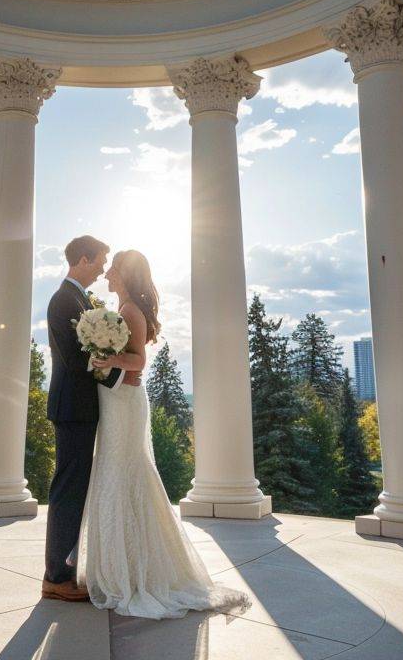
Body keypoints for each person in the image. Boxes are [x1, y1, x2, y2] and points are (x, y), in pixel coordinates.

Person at [80, 249, 249, 619]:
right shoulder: (123, 308)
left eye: (113, 269)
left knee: (123, 470)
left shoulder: (129, 312)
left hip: (124, 401)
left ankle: (132, 573)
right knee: (115, 470)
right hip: (117, 397)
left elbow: (139, 360)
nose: (107, 274)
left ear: (125, 274)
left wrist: (108, 360)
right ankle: (118, 566)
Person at [41, 235, 138, 602]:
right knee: (68, 490)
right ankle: (56, 576)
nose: (102, 268)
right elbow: (76, 358)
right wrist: (119, 375)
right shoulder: (64, 300)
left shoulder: (79, 299)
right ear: (83, 259)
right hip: (72, 409)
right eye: (99, 260)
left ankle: (63, 570)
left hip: (82, 408)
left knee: (76, 489)